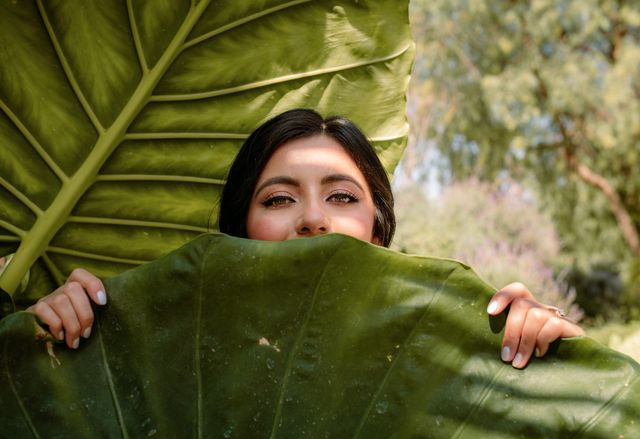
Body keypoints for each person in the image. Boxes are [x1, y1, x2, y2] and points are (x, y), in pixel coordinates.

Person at [27, 109, 584, 368]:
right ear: (237, 229)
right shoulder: (171, 362)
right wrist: (61, 343)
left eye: (342, 197)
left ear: (378, 231)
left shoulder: (432, 359)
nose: (314, 219)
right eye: (278, 199)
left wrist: (543, 346)